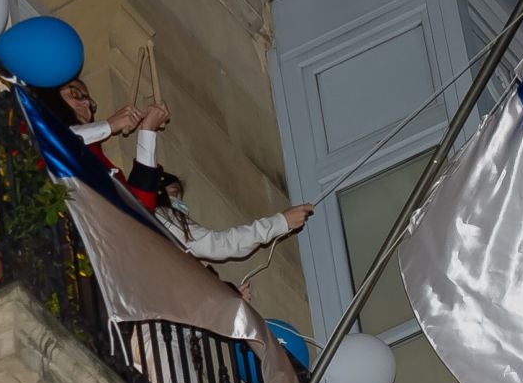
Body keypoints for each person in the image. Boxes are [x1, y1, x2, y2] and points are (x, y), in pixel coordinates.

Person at [34, 77, 170, 210]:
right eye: (75, 94)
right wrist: (109, 125)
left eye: (89, 101)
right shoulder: (34, 129)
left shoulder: (96, 157)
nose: (87, 103)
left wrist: (148, 131)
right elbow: (53, 140)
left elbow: (142, 207)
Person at [154, 170, 313, 263]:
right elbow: (220, 245)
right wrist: (281, 222)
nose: (179, 203)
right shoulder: (163, 216)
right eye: (174, 194)